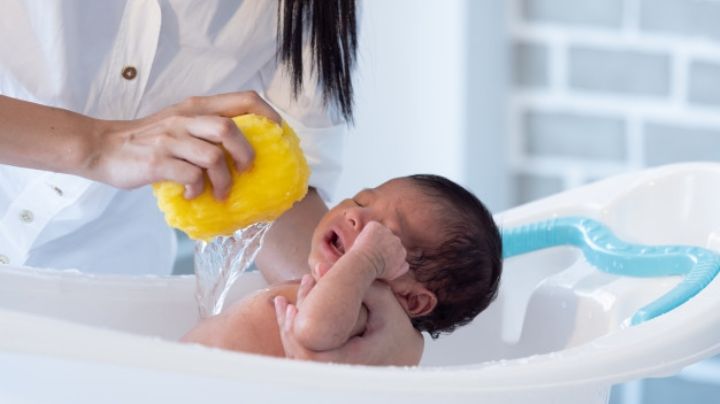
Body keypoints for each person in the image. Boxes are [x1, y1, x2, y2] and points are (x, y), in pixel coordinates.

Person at [0, 0, 357, 280]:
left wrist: (351, 298)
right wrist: (97, 145)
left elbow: (282, 202)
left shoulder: (303, 11)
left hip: (100, 298)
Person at [181, 175, 503, 366]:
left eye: (382, 234)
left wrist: (365, 261)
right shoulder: (339, 291)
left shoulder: (364, 312)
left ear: (413, 299)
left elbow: (310, 330)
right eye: (363, 200)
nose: (353, 215)